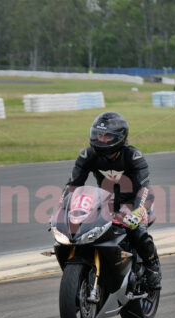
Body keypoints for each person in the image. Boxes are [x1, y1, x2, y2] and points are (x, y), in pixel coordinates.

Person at [65, 111, 161, 290]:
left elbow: (145, 187)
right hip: (106, 202)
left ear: (120, 137)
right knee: (82, 228)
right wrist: (62, 209)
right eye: (98, 135)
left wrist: (138, 211)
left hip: (137, 201)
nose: (101, 140)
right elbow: (73, 186)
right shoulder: (88, 155)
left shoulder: (133, 156)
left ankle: (152, 266)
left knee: (137, 231)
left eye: (107, 136)